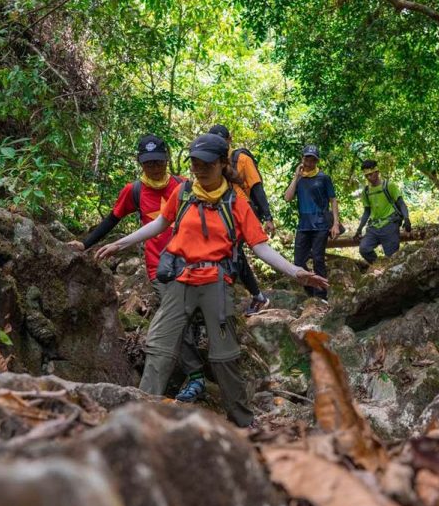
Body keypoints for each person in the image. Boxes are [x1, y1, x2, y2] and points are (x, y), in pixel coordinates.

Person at [94, 133, 328, 427]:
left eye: (205, 163)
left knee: (224, 356)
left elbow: (260, 247)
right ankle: (138, 419)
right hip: (181, 278)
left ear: (221, 163)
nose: (198, 168)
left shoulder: (236, 202)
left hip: (216, 281)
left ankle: (243, 422)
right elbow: (159, 224)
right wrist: (120, 244)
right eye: (193, 162)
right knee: (159, 347)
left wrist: (296, 272)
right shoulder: (184, 193)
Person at [67, 134, 207, 403]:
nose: (154, 167)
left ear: (167, 159)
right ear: (139, 162)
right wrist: (85, 244)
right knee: (176, 317)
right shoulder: (135, 191)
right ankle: (194, 377)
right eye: (148, 163)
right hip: (160, 270)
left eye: (158, 162)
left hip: (191, 266)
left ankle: (185, 380)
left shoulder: (184, 186)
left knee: (186, 317)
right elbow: (112, 219)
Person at [208, 124, 272, 315]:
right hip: (223, 213)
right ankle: (256, 296)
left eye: (222, 141)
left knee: (232, 252)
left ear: (229, 140)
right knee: (234, 253)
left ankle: (226, 300)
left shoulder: (241, 159)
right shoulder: (210, 160)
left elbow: (256, 187)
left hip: (243, 211)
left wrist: (268, 216)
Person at [283, 144, 339, 300]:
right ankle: (311, 290)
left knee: (318, 258)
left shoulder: (324, 178)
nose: (309, 162)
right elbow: (287, 198)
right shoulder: (299, 179)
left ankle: (321, 296)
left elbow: (333, 200)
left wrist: (335, 223)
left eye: (313, 159)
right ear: (303, 159)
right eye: (307, 158)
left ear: (316, 161)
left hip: (320, 224)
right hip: (303, 225)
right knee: (298, 261)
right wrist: (296, 177)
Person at [354, 159, 412, 263]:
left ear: (377, 172)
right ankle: (378, 265)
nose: (368, 177)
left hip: (390, 225)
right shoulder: (366, 191)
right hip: (374, 227)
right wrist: (359, 229)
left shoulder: (389, 186)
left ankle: (387, 271)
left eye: (370, 174)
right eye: (366, 175)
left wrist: (407, 219)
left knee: (392, 258)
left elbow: (401, 203)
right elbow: (367, 211)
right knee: (364, 248)